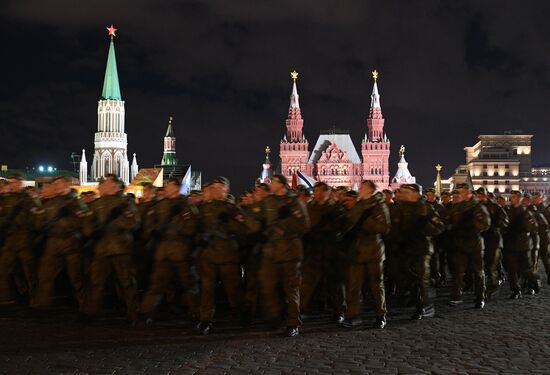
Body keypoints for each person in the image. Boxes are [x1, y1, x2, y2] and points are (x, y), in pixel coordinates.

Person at [81, 174, 140, 324]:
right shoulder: (97, 203)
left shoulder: (125, 203)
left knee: (126, 282)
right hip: (101, 247)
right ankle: (92, 312)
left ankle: (133, 312)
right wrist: (91, 231)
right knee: (96, 281)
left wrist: (116, 223)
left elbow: (134, 223)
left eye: (104, 183)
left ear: (114, 185)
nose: (100, 185)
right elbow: (88, 223)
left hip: (120, 247)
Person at [257, 174, 309, 337]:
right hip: (271, 251)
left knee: (291, 289)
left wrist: (284, 227)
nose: (270, 184)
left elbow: (304, 225)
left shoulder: (294, 202)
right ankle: (275, 317)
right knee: (268, 286)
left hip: (289, 251)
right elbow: (259, 219)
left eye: (273, 182)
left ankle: (293, 322)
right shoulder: (269, 201)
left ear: (282, 185)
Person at [141, 178, 200, 323]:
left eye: (169, 186)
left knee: (189, 284)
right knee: (157, 283)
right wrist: (153, 232)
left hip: (181, 250)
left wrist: (179, 223)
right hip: (163, 251)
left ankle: (197, 313)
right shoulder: (160, 205)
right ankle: (146, 312)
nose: (166, 188)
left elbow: (192, 227)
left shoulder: (185, 205)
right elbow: (149, 224)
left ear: (176, 188)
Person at [196, 177, 250, 335]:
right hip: (209, 254)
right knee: (207, 289)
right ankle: (206, 320)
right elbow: (197, 226)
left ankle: (241, 312)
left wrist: (230, 223)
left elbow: (244, 228)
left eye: (220, 187)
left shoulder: (232, 208)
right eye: (214, 187)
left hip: (227, 254)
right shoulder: (205, 208)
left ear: (226, 190)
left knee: (232, 289)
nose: (216, 190)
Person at [34, 176, 88, 309]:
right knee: (45, 274)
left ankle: (85, 306)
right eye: (54, 184)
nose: (55, 186)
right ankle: (42, 305)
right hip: (53, 242)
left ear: (66, 184)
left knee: (76, 277)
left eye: (58, 184)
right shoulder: (51, 203)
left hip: (71, 241)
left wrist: (71, 219)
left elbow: (84, 222)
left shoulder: (75, 202)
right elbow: (40, 222)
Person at [342, 180, 390, 329]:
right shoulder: (359, 204)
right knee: (354, 285)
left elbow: (384, 227)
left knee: (376, 285)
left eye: (362, 188)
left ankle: (380, 315)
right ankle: (353, 315)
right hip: (357, 250)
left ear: (369, 190)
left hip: (373, 250)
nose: (359, 189)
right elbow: (350, 222)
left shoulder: (379, 206)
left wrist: (365, 222)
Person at [393, 184, 445, 320]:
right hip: (405, 248)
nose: (402, 193)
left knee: (422, 279)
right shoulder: (400, 207)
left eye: (406, 191)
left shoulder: (426, 208)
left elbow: (439, 226)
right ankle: (417, 300)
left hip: (422, 248)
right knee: (409, 279)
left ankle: (424, 307)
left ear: (415, 193)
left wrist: (424, 229)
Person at [300, 182, 346, 323]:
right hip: (313, 251)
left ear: (327, 192)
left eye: (319, 191)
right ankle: (301, 311)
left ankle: (339, 311)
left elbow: (339, 228)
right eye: (315, 190)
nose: (315, 193)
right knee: (307, 284)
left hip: (330, 251)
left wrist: (323, 231)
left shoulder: (336, 208)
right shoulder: (310, 207)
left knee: (334, 284)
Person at [447, 184, 491, 308]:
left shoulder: (478, 207)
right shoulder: (456, 208)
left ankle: (480, 297)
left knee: (478, 272)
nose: (460, 195)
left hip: (474, 242)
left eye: (463, 192)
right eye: (459, 192)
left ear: (469, 193)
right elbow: (448, 221)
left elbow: (486, 224)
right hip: (460, 243)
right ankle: (456, 296)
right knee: (458, 272)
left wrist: (472, 226)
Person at [0, 174, 37, 306]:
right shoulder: (4, 198)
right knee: (4, 269)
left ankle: (34, 298)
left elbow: (34, 215)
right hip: (10, 237)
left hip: (24, 237)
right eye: (12, 182)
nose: (14, 185)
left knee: (29, 270)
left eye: (16, 182)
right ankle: (5, 297)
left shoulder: (26, 199)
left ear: (20, 183)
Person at [503, 190, 540, 298]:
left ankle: (535, 280)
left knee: (526, 269)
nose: (511, 199)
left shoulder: (526, 212)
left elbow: (534, 227)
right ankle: (516, 290)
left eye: (514, 197)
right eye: (511, 197)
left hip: (523, 245)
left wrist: (524, 228)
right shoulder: (509, 211)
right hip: (510, 244)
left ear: (520, 198)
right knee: (512, 269)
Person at [475, 187, 508, 295]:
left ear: (486, 195)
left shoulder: (495, 207)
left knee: (491, 265)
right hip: (480, 240)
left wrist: (493, 224)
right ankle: (482, 288)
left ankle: (493, 285)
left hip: (493, 240)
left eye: (481, 196)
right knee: (480, 266)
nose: (479, 198)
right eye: (478, 196)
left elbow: (505, 222)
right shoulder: (475, 207)